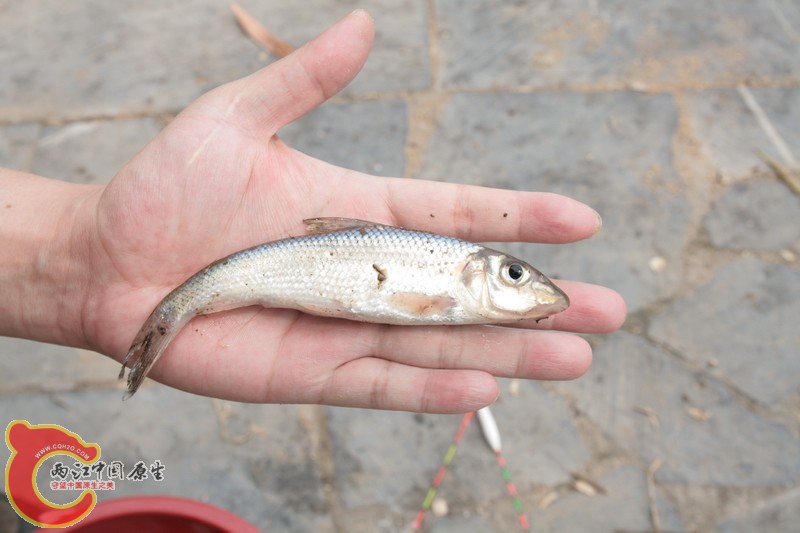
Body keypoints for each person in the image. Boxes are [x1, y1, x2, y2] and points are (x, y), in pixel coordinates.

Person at [0, 10, 625, 413]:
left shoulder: (453, 290)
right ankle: (173, 311)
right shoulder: (450, 283)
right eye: (514, 273)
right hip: (280, 271)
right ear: (480, 271)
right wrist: (89, 265)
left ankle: (170, 312)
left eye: (518, 275)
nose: (525, 283)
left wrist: (81, 263)